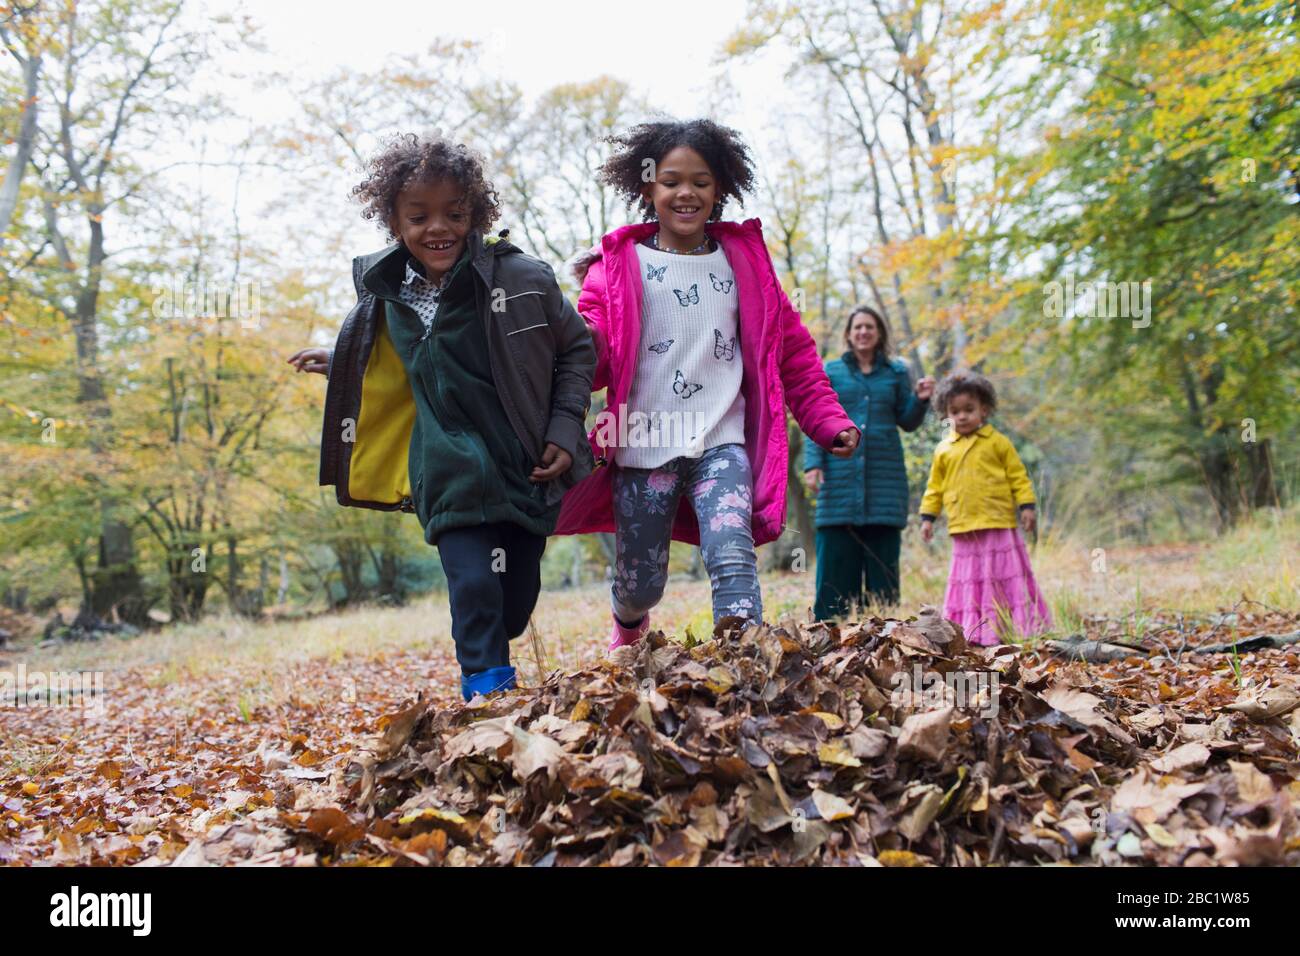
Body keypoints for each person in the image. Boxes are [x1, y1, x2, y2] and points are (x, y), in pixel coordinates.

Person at [288, 133, 596, 699]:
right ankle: (485, 697)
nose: (438, 228)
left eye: (454, 214)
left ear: (475, 214)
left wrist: (563, 430)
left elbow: (577, 350)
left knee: (513, 601)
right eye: (419, 216)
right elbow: (392, 364)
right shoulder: (388, 298)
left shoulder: (521, 279)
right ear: (395, 223)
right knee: (473, 583)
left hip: (522, 466)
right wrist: (339, 363)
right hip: (446, 470)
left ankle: (495, 651)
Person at [554, 119, 859, 650]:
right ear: (647, 187)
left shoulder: (745, 263)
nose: (686, 192)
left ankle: (744, 661)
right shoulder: (618, 265)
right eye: (671, 180)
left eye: (701, 181)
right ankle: (627, 626)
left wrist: (828, 422)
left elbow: (793, 352)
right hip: (642, 444)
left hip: (722, 440)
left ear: (720, 188)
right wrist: (580, 338)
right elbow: (594, 358)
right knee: (641, 583)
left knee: (731, 548)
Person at [804, 305, 934, 617]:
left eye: (870, 327)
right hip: (839, 482)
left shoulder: (896, 373)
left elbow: (907, 421)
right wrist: (812, 463)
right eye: (858, 327)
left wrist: (920, 400)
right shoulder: (831, 371)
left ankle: (884, 640)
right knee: (835, 573)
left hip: (884, 486)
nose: (863, 332)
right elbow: (816, 417)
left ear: (879, 334)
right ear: (849, 334)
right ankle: (829, 636)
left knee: (883, 578)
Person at [919, 370, 1052, 644]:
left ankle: (1013, 628)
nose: (962, 416)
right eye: (955, 411)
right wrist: (928, 517)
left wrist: (1026, 506)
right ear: (946, 414)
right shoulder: (944, 450)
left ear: (985, 410)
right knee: (971, 581)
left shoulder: (998, 443)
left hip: (998, 522)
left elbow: (1018, 476)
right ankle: (972, 631)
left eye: (969, 409)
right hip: (963, 526)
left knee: (1001, 577)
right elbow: (935, 487)